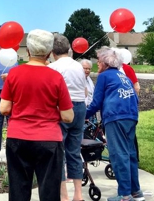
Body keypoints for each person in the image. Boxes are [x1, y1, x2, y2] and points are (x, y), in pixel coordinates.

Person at [0, 30, 74, 201]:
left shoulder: (14, 74)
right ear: (49, 53)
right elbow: (68, 116)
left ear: (28, 51)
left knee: (18, 189)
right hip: (48, 138)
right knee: (49, 190)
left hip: (18, 136)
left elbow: (4, 108)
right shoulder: (56, 77)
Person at [86, 47, 143, 201]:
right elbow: (135, 97)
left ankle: (124, 195)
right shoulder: (123, 76)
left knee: (119, 156)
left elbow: (96, 103)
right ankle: (135, 191)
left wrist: (82, 116)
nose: (97, 64)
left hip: (115, 117)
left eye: (98, 61)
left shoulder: (104, 77)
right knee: (130, 154)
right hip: (130, 116)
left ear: (105, 63)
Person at [48, 34, 86, 201]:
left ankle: (63, 195)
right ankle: (78, 194)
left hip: (63, 108)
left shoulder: (53, 67)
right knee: (74, 151)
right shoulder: (78, 65)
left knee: (59, 152)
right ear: (68, 49)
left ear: (52, 51)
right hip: (80, 106)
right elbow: (84, 90)